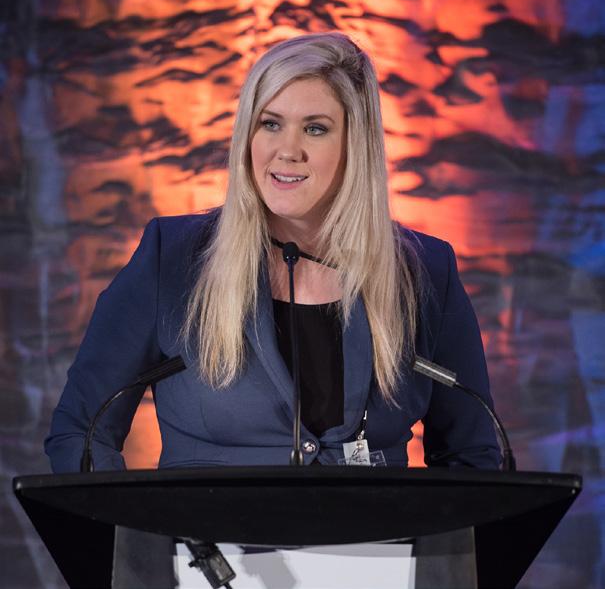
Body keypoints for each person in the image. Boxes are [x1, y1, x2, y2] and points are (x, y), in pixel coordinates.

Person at [45, 32, 501, 472]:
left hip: (375, 527)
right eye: (270, 124)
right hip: (207, 527)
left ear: (356, 146)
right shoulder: (172, 258)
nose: (288, 151)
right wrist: (132, 527)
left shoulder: (425, 272)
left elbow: (472, 455)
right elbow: (82, 432)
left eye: (316, 129)